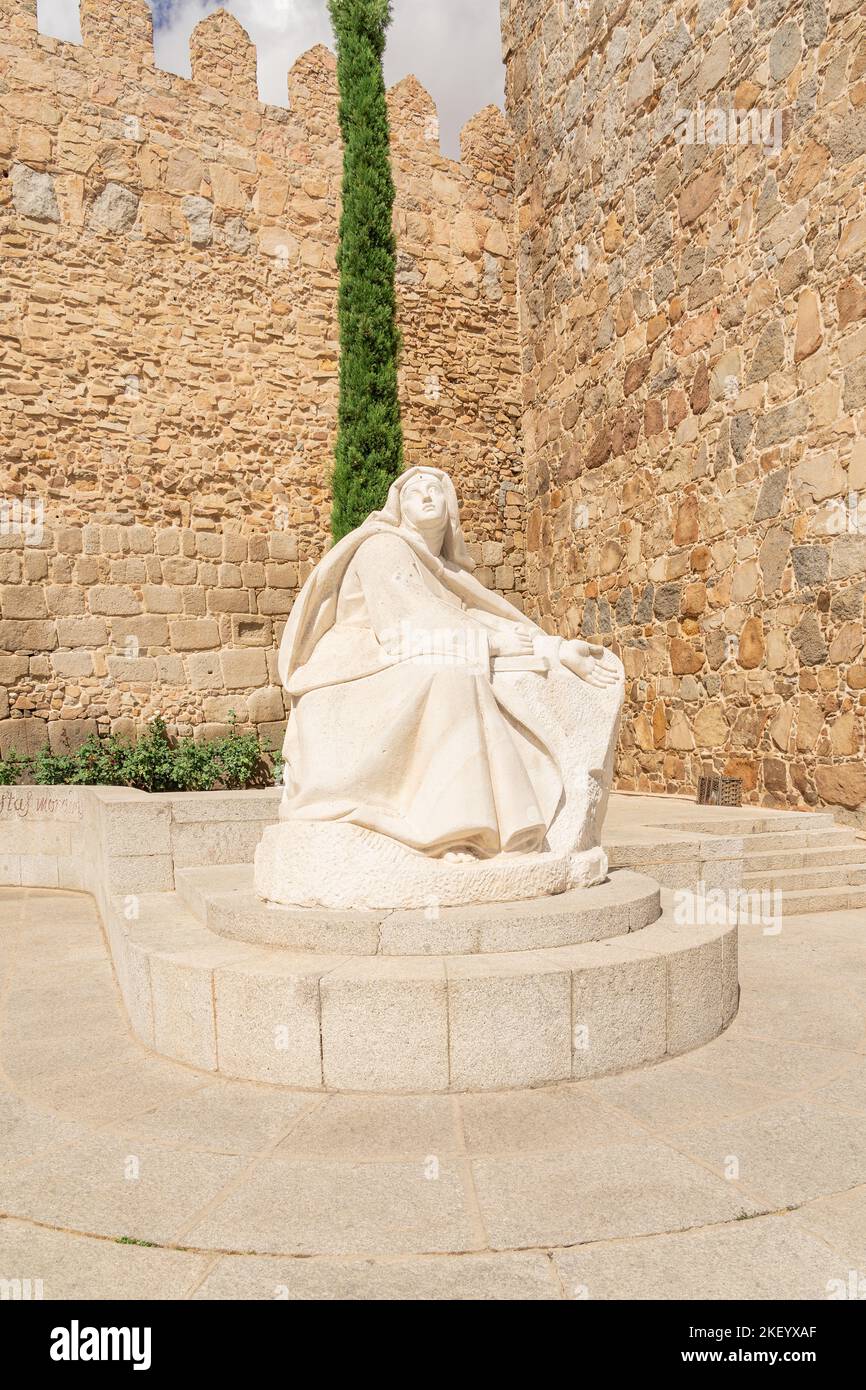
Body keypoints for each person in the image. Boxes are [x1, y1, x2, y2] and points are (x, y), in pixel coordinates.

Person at [275, 465, 622, 860]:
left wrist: (555, 649)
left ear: (450, 509)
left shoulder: (447, 573)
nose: (426, 496)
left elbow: (480, 618)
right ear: (400, 508)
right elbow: (404, 623)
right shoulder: (382, 547)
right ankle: (451, 832)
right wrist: (492, 643)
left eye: (434, 490)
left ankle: (530, 828)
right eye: (414, 492)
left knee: (482, 671)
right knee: (454, 674)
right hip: (356, 669)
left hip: (405, 657)